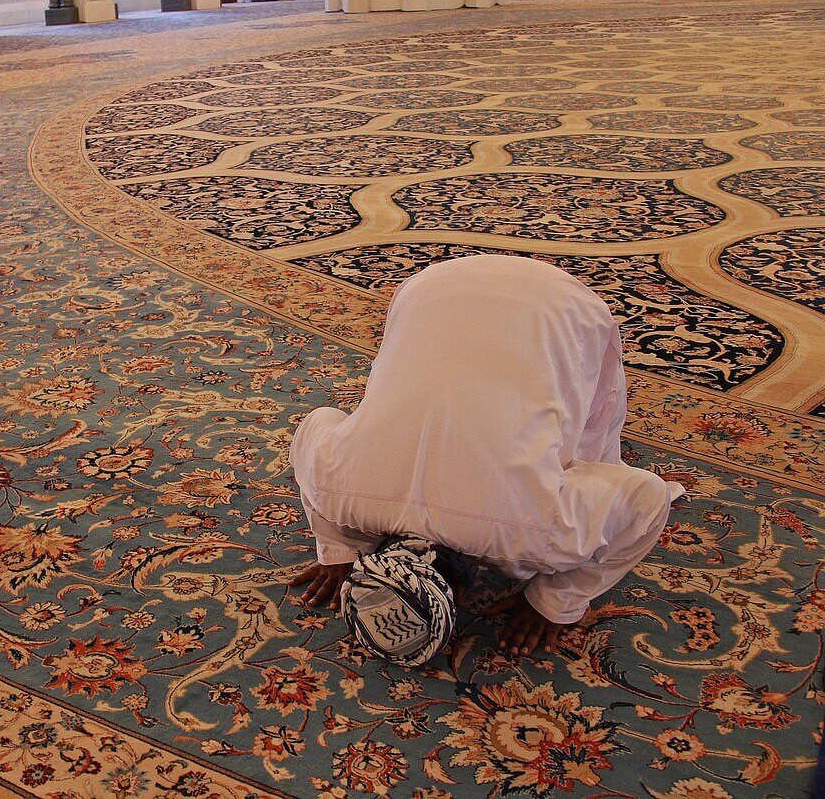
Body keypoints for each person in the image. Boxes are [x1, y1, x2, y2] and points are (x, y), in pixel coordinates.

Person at [288, 255, 683, 664]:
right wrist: (339, 547)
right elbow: (316, 422)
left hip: (567, 306)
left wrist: (554, 603)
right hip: (429, 286)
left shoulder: (537, 533)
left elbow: (647, 500)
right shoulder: (336, 491)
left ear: (462, 595)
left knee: (579, 436)